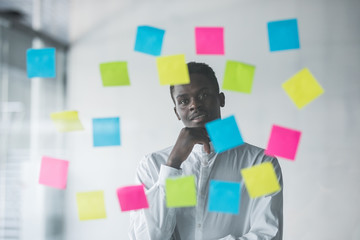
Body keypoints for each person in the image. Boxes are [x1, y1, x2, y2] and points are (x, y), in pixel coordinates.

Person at [129, 62, 283, 240]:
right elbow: (146, 237)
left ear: (221, 99)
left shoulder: (259, 163)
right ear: (177, 112)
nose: (194, 105)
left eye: (203, 95)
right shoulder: (150, 166)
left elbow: (269, 234)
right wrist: (172, 165)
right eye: (184, 101)